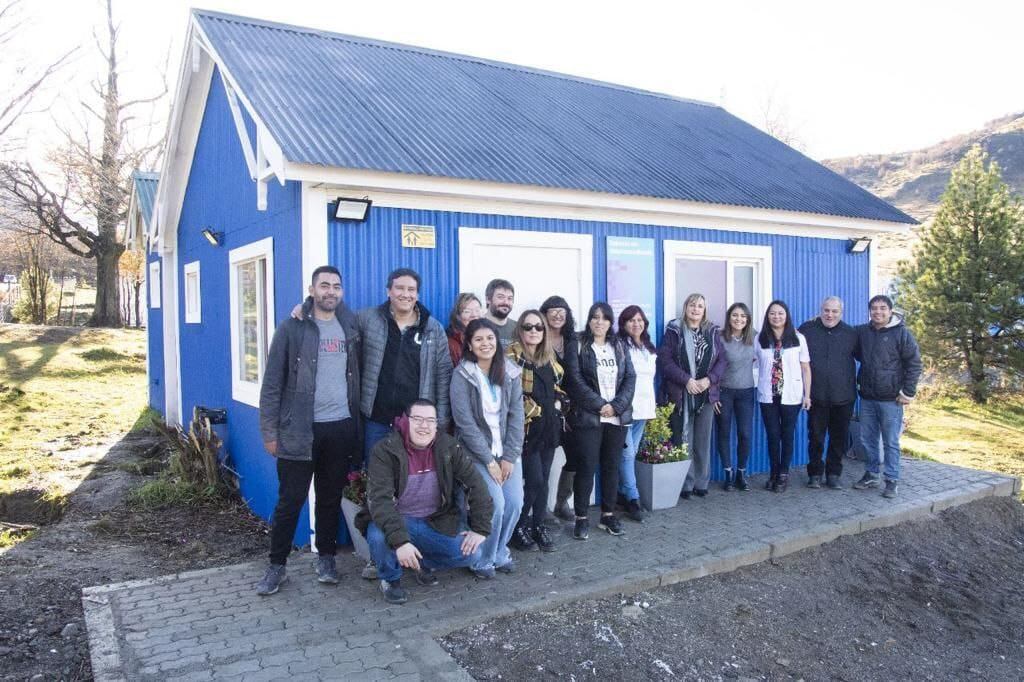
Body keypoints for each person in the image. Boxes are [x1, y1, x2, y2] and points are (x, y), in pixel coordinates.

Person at [256, 266, 362, 595]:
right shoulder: (292, 328)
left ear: (341, 292)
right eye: (324, 285)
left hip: (340, 427)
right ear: (312, 289)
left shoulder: (350, 325)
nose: (330, 291)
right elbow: (272, 383)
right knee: (290, 501)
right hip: (299, 430)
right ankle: (277, 567)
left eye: (336, 286)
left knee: (329, 498)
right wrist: (269, 432)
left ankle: (326, 559)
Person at [358, 400, 492, 604]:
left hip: (434, 521)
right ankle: (391, 579)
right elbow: (380, 501)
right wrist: (401, 542)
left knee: (472, 554)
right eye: (418, 419)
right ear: (405, 421)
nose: (424, 426)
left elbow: (477, 485)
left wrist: (480, 529)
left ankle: (418, 562)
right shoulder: (385, 451)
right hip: (397, 519)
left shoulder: (448, 447)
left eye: (430, 420)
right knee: (378, 537)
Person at [449, 318, 525, 577]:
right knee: (495, 505)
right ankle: (482, 559)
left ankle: (500, 551)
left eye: (490, 338)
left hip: (506, 453)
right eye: (479, 339)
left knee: (515, 503)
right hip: (475, 454)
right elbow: (464, 422)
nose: (485, 343)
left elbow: (517, 417)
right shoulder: (462, 375)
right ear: (469, 343)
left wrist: (510, 457)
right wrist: (489, 460)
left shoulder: (511, 372)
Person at [565, 302, 635, 539]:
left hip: (616, 418)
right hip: (589, 417)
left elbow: (630, 378)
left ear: (610, 322)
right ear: (589, 320)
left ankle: (607, 515)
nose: (599, 322)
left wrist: (615, 406)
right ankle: (581, 517)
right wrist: (600, 405)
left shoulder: (620, 345)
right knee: (586, 465)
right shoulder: (578, 344)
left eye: (604, 318)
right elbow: (574, 380)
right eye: (595, 317)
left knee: (611, 466)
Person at [852, 295, 922, 499]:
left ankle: (891, 480)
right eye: (874, 308)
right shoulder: (863, 332)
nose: (878, 312)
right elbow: (850, 343)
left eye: (883, 308)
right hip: (867, 396)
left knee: (890, 441)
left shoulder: (901, 334)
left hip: (892, 399)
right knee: (867, 439)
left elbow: (914, 363)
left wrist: (908, 392)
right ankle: (872, 474)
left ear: (890, 311)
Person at [507, 310, 565, 552]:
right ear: (520, 329)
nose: (534, 331)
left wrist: (560, 403)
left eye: (539, 327)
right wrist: (537, 410)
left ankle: (538, 525)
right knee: (534, 480)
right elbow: (510, 395)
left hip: (549, 428)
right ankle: (517, 526)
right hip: (526, 429)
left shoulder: (548, 358)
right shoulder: (510, 356)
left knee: (544, 481)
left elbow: (557, 388)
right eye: (528, 327)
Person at [657, 293, 725, 499]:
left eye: (700, 306)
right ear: (686, 307)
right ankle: (685, 484)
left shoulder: (712, 331)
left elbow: (722, 360)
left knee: (702, 442)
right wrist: (687, 380)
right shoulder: (674, 330)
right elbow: (665, 361)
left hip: (706, 395)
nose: (696, 309)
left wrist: (709, 380)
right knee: (683, 440)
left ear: (705, 311)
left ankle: (701, 482)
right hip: (681, 394)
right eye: (692, 305)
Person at [798, 296, 858, 490]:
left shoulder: (851, 334)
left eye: (834, 311)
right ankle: (814, 474)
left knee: (839, 438)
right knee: (815, 437)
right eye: (826, 310)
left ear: (841, 313)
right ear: (820, 310)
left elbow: (868, 357)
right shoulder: (807, 330)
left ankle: (833, 474)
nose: (830, 315)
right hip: (817, 395)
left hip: (844, 396)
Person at [755, 300, 811, 493]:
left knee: (787, 435)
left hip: (792, 396)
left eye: (780, 313)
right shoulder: (760, 339)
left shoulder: (798, 338)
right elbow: (753, 363)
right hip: (768, 395)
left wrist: (807, 395)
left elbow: (806, 368)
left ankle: (784, 474)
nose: (776, 316)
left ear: (786, 315)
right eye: (772, 313)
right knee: (772, 436)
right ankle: (774, 472)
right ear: (767, 316)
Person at [540, 295, 579, 523]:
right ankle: (541, 508)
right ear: (544, 314)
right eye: (552, 311)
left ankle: (562, 501)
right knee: (543, 461)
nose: (557, 315)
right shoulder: (538, 338)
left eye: (561, 311)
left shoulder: (573, 339)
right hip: (547, 408)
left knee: (576, 456)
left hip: (572, 409)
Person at [616, 305, 656, 521]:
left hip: (644, 408)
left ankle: (622, 493)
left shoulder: (648, 347)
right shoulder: (620, 346)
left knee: (630, 454)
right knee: (627, 454)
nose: (636, 323)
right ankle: (633, 499)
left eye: (640, 320)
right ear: (623, 323)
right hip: (626, 409)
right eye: (631, 320)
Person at [713, 302, 758, 492]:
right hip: (724, 392)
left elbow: (780, 337)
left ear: (747, 319)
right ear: (729, 317)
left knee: (745, 434)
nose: (739, 319)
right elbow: (712, 367)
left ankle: (741, 473)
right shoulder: (720, 338)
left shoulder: (755, 337)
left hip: (746, 392)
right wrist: (713, 395)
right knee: (723, 433)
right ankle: (728, 474)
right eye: (735, 315)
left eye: (743, 316)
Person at [446, 292, 483, 367]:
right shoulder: (451, 343)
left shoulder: (485, 335)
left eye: (477, 310)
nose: (474, 315)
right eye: (467, 311)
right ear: (458, 316)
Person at [484, 278, 517, 347]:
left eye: (510, 298)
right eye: (500, 297)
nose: (506, 302)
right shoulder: (475, 326)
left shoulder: (518, 328)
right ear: (488, 299)